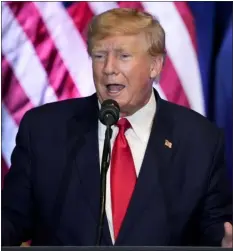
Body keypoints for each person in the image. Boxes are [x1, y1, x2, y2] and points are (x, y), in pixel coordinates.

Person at [2, 8, 232, 247]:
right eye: (100, 55)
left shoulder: (198, 139)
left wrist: (224, 242)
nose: (109, 68)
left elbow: (213, 229)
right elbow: (13, 220)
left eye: (123, 56)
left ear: (155, 65)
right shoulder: (44, 130)